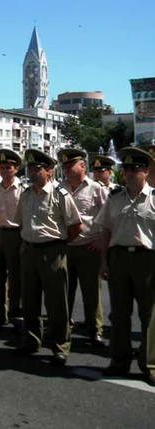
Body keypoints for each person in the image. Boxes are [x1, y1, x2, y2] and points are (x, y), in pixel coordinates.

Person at [14, 150, 81, 366]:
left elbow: (75, 226)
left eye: (37, 168)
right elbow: (21, 224)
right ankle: (31, 341)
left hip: (53, 252)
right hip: (30, 251)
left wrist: (58, 245)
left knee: (56, 302)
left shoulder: (60, 195)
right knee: (30, 301)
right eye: (31, 168)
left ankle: (60, 346)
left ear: (49, 171)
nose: (33, 172)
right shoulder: (25, 195)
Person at [96, 147, 155, 386]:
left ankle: (150, 364)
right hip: (119, 258)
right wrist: (103, 262)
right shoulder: (115, 197)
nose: (130, 173)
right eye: (127, 169)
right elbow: (106, 230)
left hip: (148, 260)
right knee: (119, 314)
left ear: (146, 171)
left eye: (135, 169)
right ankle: (119, 361)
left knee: (149, 316)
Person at [58, 148, 108, 347]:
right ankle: (64, 325)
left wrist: (100, 240)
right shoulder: (59, 188)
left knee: (91, 293)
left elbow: (108, 217)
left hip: (89, 247)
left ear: (82, 166)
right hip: (66, 246)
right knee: (64, 291)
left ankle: (95, 329)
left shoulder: (96, 188)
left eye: (70, 165)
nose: (67, 169)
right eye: (65, 166)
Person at [0, 149, 26, 330]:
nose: (5, 171)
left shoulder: (23, 190)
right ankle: (0, 312)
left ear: (16, 169)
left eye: (9, 167)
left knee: (16, 278)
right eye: (3, 167)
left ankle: (15, 313)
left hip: (16, 235)